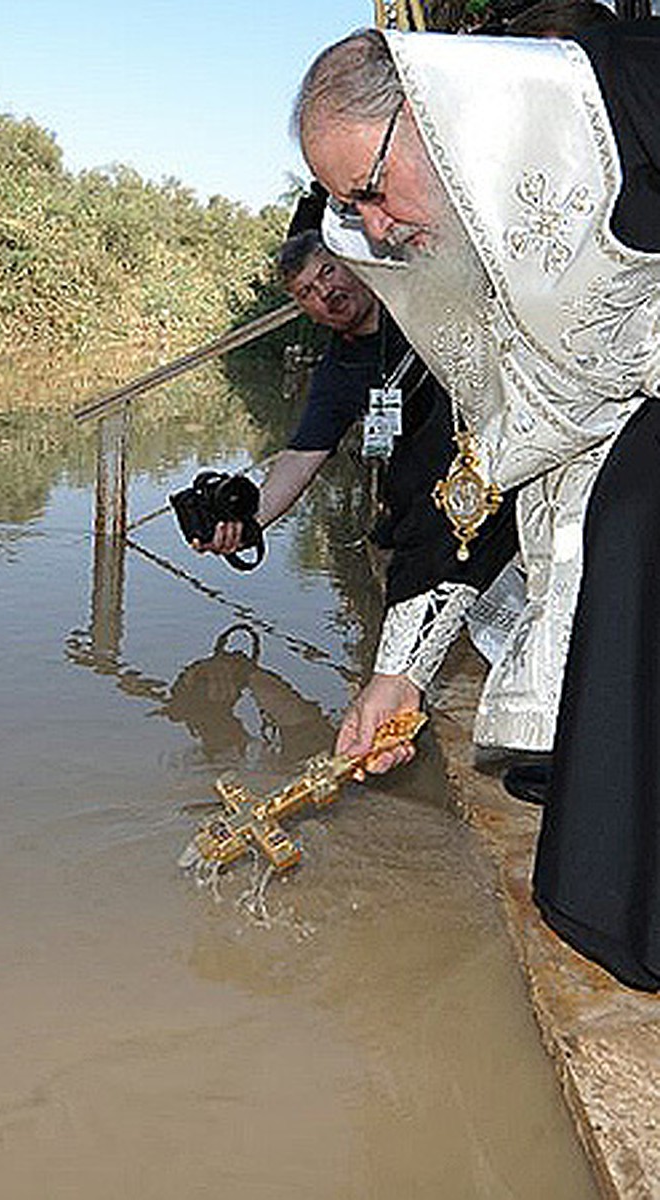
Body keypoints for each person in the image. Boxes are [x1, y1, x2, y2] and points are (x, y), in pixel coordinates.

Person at [294, 20, 660, 990]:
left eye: (369, 190)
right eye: (346, 208)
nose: (371, 228)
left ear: (435, 117)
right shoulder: (468, 269)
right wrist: (400, 676)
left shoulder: (624, 93)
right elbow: (460, 471)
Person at [198, 218, 519, 706]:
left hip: (506, 474)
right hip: (428, 513)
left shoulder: (422, 294)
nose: (324, 292)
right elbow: (301, 458)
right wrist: (247, 523)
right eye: (307, 291)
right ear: (303, 308)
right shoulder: (338, 372)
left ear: (350, 263)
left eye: (327, 273)